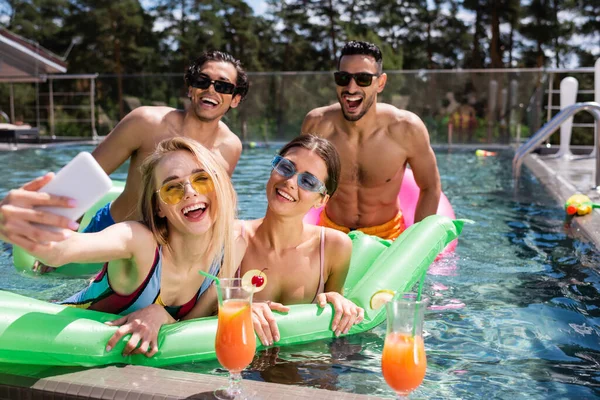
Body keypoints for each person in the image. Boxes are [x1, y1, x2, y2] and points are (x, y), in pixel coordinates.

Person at [108, 135, 364, 352]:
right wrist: (160, 313)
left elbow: (332, 315)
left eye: (308, 182)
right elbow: (192, 318)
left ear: (322, 200)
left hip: (303, 363)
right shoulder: (230, 239)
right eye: (285, 168)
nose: (289, 182)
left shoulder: (334, 247)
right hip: (238, 364)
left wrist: (336, 299)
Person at [25, 137, 241, 356]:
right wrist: (34, 224)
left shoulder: (225, 251)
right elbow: (61, 252)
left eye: (202, 179)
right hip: (56, 340)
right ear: (159, 208)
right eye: (172, 188)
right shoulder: (137, 240)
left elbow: (193, 324)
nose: (190, 192)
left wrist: (160, 315)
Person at [85, 50, 248, 233]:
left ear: (235, 99)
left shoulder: (230, 147)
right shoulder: (146, 123)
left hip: (167, 250)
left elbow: (214, 208)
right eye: (202, 81)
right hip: (112, 232)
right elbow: (85, 179)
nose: (210, 90)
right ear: (190, 88)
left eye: (223, 86)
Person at [301, 41, 441, 240]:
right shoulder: (317, 125)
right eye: (343, 78)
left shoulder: (406, 129)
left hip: (387, 235)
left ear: (380, 83)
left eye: (363, 79)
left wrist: (414, 244)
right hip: (331, 231)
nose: (351, 88)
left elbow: (430, 188)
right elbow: (299, 182)